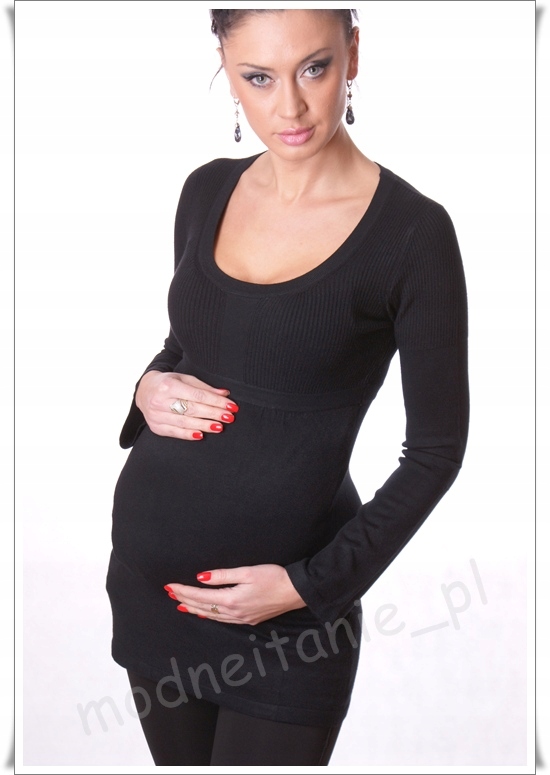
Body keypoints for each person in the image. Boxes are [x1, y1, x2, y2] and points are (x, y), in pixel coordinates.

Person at [106, 7, 469, 766]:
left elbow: (437, 452)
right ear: (224, 66)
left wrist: (311, 587)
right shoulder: (206, 190)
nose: (291, 107)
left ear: (353, 53)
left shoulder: (412, 234)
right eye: (258, 77)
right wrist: (146, 387)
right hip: (150, 595)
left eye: (314, 68)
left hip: (290, 625)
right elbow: (191, 345)